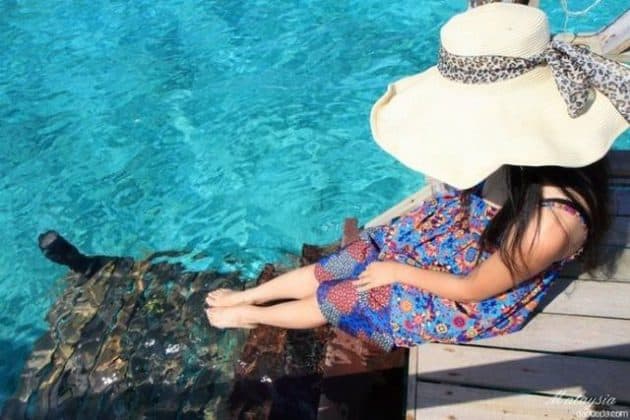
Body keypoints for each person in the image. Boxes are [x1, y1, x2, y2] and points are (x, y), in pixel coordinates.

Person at [204, 3, 629, 352]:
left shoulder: (549, 225)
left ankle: (250, 314)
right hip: (470, 235)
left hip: (472, 291)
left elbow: (474, 289)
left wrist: (398, 273)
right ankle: (250, 296)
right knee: (345, 262)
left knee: (344, 294)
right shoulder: (530, 159)